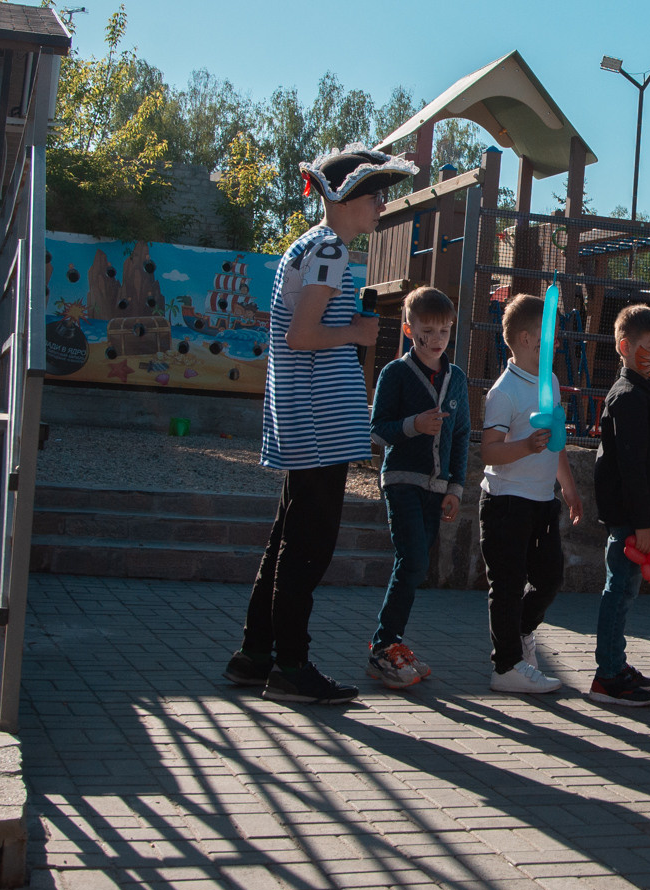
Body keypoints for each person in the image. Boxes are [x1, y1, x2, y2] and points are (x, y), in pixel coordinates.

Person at [223, 144, 417, 707]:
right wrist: (358, 335)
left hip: (301, 416)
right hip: (318, 421)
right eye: (376, 195)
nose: (381, 204)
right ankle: (290, 664)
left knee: (287, 538)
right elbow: (301, 335)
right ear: (348, 198)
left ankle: (255, 653)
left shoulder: (306, 246)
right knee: (308, 545)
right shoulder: (331, 250)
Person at [364, 286, 470, 691]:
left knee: (416, 566)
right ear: (410, 330)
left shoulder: (456, 378)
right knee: (412, 562)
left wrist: (455, 488)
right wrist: (414, 426)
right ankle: (383, 646)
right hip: (401, 481)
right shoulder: (395, 373)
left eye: (445, 329)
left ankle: (391, 643)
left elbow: (461, 436)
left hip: (436, 486)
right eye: (428, 329)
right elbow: (378, 430)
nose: (438, 338)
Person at [480, 292, 586, 696]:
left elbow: (554, 441)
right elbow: (489, 451)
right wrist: (525, 445)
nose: (557, 341)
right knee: (506, 584)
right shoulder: (503, 391)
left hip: (542, 501)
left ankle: (520, 632)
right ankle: (505, 666)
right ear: (526, 338)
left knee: (550, 577)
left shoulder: (552, 381)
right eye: (550, 334)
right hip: (506, 502)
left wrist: (569, 487)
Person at [590, 303, 650, 708]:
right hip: (628, 519)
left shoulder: (645, 395)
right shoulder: (627, 397)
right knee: (618, 591)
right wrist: (643, 522)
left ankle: (615, 664)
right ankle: (607, 675)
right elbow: (631, 467)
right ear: (625, 347)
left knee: (625, 593)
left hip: (639, 519)